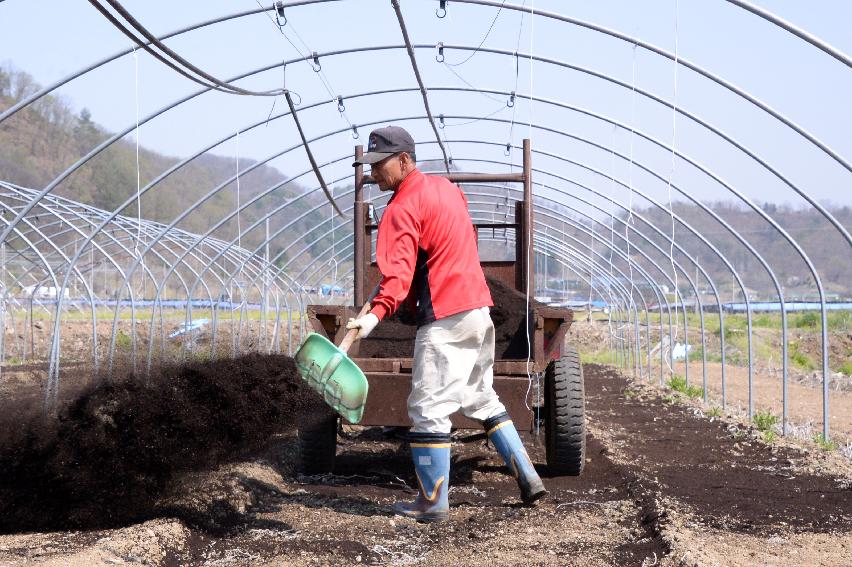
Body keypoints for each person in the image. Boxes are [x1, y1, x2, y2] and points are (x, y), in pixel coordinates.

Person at [346, 126, 546, 522]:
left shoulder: (401, 208)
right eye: (368, 167)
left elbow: (398, 280)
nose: (373, 175)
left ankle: (431, 502)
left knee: (427, 407)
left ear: (404, 160)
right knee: (481, 397)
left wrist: (369, 319)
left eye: (379, 166)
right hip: (479, 311)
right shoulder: (446, 190)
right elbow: (445, 240)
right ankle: (529, 478)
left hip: (446, 316)